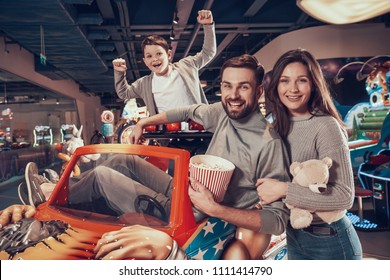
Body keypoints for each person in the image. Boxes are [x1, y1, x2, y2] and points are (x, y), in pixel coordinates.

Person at [1, 54, 291, 260]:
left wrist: (216, 210)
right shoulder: (223, 112)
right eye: (228, 86)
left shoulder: (269, 144)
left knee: (103, 175)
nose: (233, 95)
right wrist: (143, 123)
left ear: (259, 90)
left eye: (244, 87)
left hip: (196, 217)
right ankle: (60, 191)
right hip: (183, 190)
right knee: (120, 160)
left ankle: (51, 197)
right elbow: (186, 111)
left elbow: (277, 221)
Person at [256, 48, 362, 260]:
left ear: (313, 84)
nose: (292, 89)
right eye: (285, 80)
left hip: (330, 239)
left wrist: (282, 189)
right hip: (295, 235)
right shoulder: (277, 126)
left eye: (301, 80)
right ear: (276, 85)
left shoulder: (326, 125)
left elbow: (344, 196)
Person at [112, 10, 215, 116]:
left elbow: (208, 53)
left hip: (197, 129)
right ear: (145, 61)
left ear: (169, 55)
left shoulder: (187, 66)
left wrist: (208, 25)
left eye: (159, 54)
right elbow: (123, 93)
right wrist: (119, 73)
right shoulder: (144, 84)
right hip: (167, 131)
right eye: (149, 56)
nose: (155, 59)